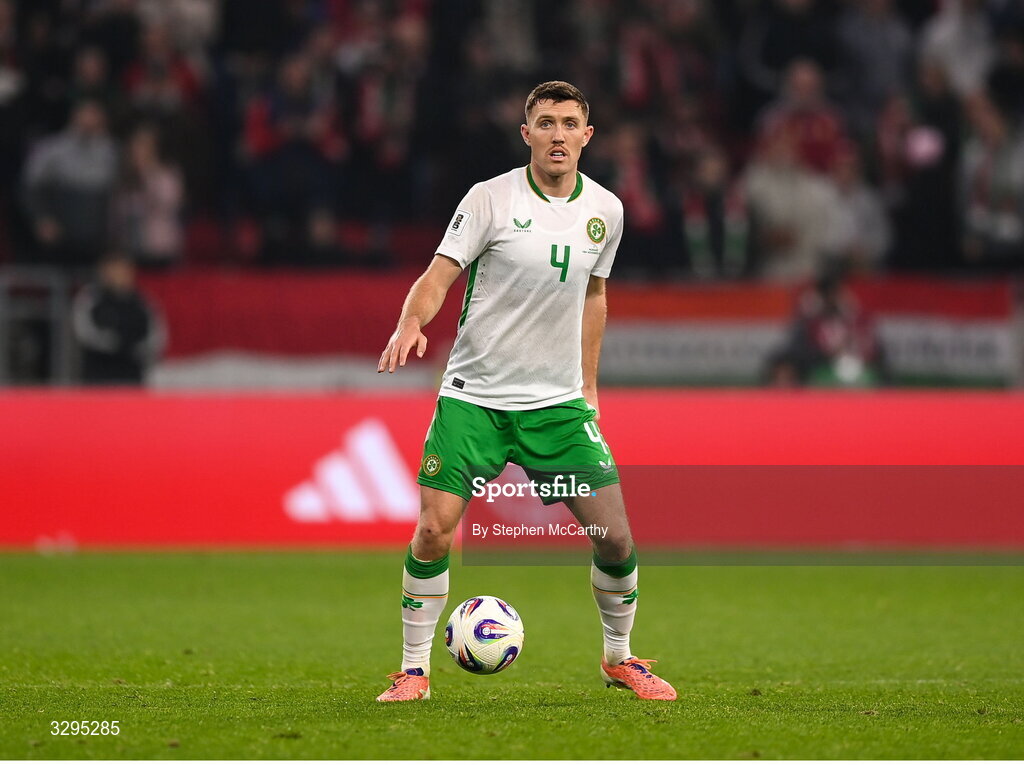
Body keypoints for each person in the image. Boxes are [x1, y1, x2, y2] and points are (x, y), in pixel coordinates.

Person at [374, 81, 676, 703]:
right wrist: (411, 323)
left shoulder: (607, 212)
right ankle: (412, 670)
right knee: (434, 531)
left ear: (587, 136)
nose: (558, 134)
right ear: (527, 134)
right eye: (546, 123)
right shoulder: (490, 200)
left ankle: (619, 658)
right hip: (474, 397)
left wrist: (588, 384)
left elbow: (594, 295)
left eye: (569, 123)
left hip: (556, 405)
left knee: (616, 538)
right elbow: (438, 275)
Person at [72, 252, 166, 384]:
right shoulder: (91, 298)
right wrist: (115, 343)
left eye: (124, 270)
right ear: (104, 272)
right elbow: (84, 332)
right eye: (115, 269)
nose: (119, 275)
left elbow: (156, 337)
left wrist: (136, 348)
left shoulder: (142, 301)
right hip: (98, 376)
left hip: (131, 377)